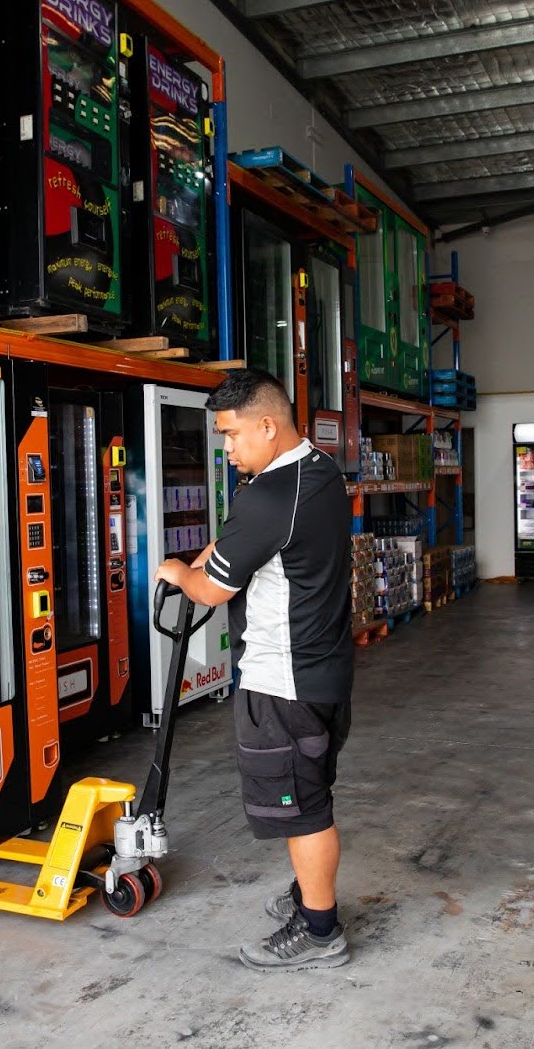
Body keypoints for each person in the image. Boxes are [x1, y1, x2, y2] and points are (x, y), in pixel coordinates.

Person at [154, 368, 354, 971]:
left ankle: (320, 932)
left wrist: (176, 571)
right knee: (310, 790)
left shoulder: (267, 496)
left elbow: (211, 590)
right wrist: (209, 556)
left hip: (281, 680)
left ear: (268, 426)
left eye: (233, 435)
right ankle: (306, 895)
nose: (228, 448)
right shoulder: (318, 473)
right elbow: (241, 543)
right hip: (325, 670)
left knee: (304, 808)